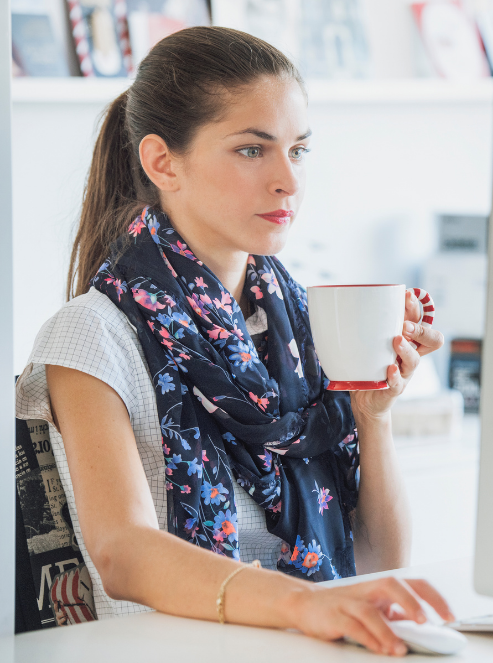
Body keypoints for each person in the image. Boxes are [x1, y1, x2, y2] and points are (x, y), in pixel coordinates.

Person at [15, 26, 450, 657]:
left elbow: (375, 563)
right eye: (253, 150)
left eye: (298, 151)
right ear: (163, 162)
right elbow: (124, 554)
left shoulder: (304, 327)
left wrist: (371, 417)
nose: (288, 182)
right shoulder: (91, 334)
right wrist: (303, 605)